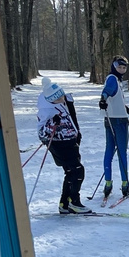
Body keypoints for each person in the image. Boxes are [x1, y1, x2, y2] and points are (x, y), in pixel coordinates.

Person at [37, 78, 89, 214]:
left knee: (71, 172)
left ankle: (64, 203)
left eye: (62, 95)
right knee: (78, 171)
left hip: (70, 142)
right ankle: (74, 202)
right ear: (50, 99)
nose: (62, 98)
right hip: (60, 145)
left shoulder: (61, 104)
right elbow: (42, 131)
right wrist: (52, 123)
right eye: (58, 97)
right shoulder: (46, 110)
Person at [98, 56, 129, 202]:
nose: (122, 69)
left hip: (111, 119)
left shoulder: (116, 80)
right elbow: (107, 91)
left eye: (124, 67)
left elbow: (116, 99)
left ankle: (108, 184)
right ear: (114, 66)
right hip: (118, 122)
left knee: (110, 150)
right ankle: (125, 185)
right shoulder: (113, 78)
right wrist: (102, 99)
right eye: (119, 66)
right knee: (121, 153)